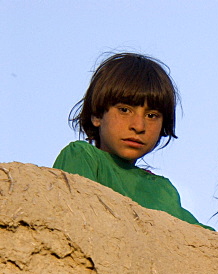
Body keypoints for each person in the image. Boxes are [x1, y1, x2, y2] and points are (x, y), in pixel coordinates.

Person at [53, 52, 207, 229]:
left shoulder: (163, 190)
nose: (139, 126)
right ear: (96, 114)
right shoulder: (83, 157)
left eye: (151, 115)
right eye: (124, 110)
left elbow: (207, 241)